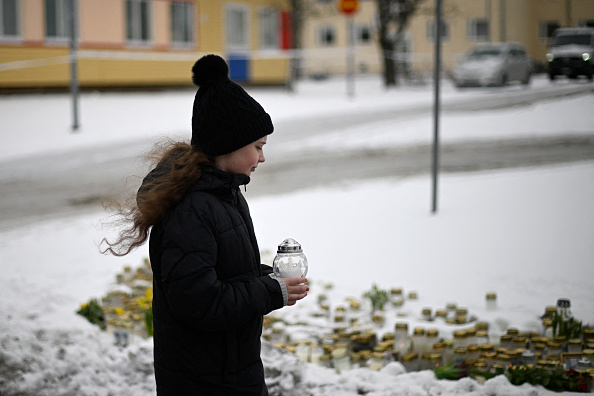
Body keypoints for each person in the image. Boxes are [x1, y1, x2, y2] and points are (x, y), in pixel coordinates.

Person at [102, 54, 309, 395]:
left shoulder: (224, 193)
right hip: (202, 380)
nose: (262, 157)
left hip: (230, 368)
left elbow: (223, 271)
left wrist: (269, 278)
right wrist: (272, 291)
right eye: (257, 146)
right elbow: (201, 302)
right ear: (228, 144)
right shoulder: (191, 209)